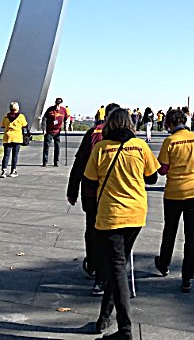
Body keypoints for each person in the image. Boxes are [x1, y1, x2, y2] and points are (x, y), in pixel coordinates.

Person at [84, 107, 159, 339]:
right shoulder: (140, 146)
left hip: (111, 216)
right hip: (136, 214)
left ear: (109, 124)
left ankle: (125, 330)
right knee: (117, 265)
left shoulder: (100, 148)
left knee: (116, 268)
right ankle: (103, 318)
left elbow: (89, 179)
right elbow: (153, 177)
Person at [68, 101, 120, 295]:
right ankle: (110, 271)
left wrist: (72, 190)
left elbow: (80, 162)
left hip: (92, 192)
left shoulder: (94, 133)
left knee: (93, 230)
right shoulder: (128, 139)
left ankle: (94, 265)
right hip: (115, 194)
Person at [155, 107, 194, 292]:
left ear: (169, 124)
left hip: (174, 192)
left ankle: (164, 264)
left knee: (169, 229)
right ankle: (187, 277)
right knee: (191, 234)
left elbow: (162, 169)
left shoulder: (169, 141)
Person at [0, 101, 28, 178]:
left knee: (6, 155)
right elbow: (25, 125)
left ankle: (4, 170)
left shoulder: (6, 117)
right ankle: (13, 171)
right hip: (17, 137)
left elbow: (2, 125)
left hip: (7, 137)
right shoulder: (21, 116)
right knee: (15, 155)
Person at [41, 97, 68, 167]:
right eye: (57, 103)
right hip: (49, 131)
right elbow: (44, 119)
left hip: (57, 131)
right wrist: (43, 129)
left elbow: (66, 118)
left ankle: (56, 162)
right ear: (55, 102)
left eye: (59, 104)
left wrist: (66, 126)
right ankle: (45, 162)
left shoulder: (63, 110)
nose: (57, 106)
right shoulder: (50, 110)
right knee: (46, 147)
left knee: (57, 147)